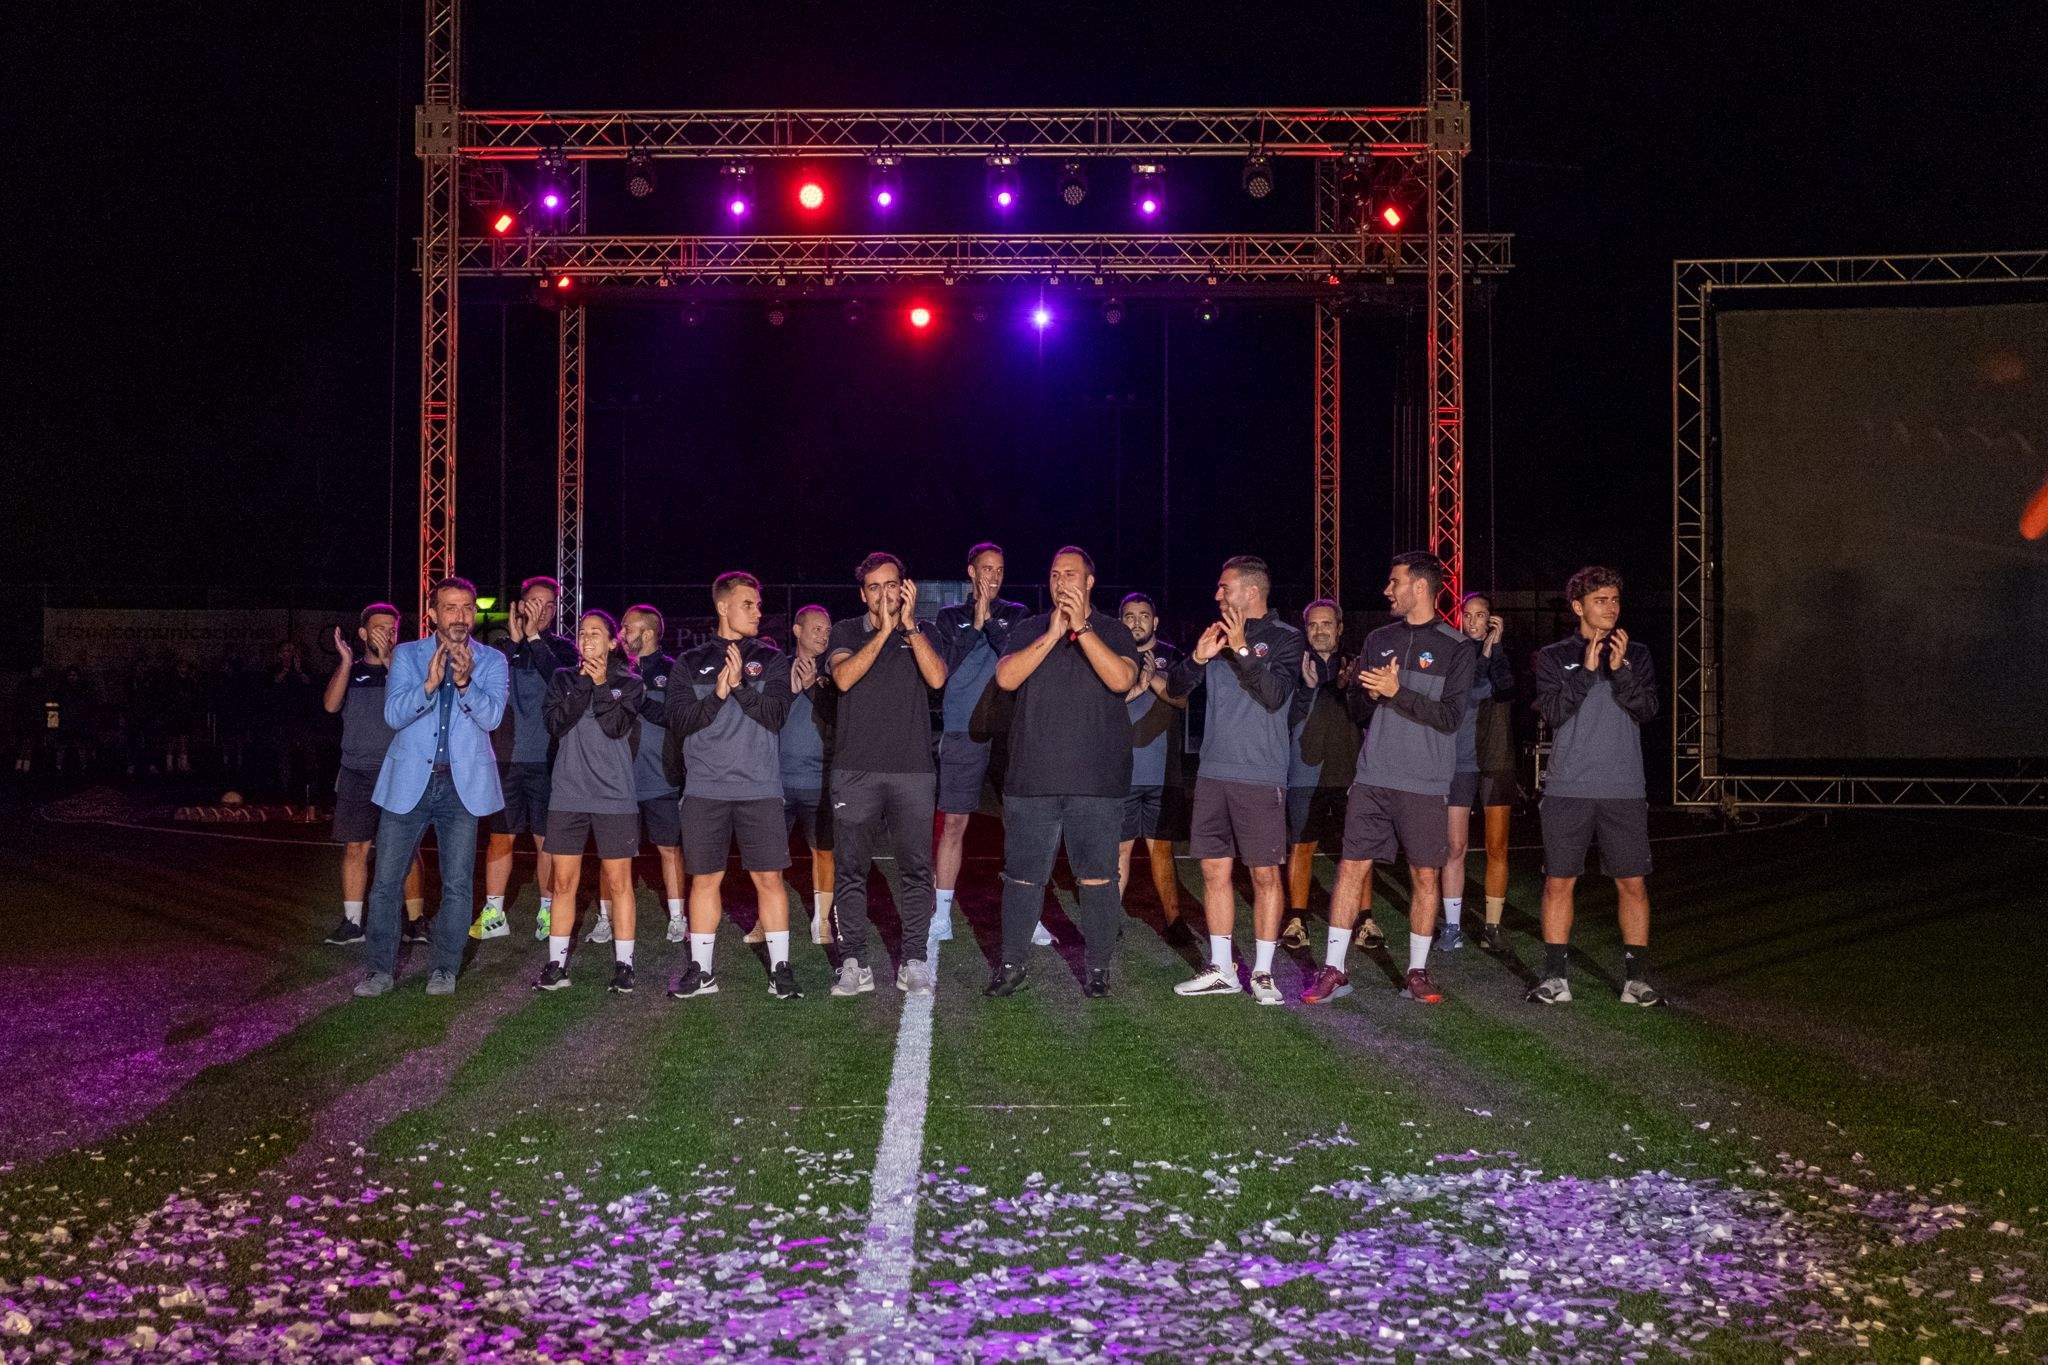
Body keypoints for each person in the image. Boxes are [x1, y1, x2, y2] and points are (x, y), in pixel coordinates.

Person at [1303, 552, 1475, 1006]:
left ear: (1420, 586)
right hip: (1373, 776)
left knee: (1424, 875)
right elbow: (1361, 710)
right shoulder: (1379, 638)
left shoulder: (1456, 647)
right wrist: (1354, 689)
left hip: (1424, 781)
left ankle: (1417, 971)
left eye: (1393, 581)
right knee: (1350, 868)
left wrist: (1399, 692)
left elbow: (1451, 717)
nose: (1387, 590)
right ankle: (1334, 969)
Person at [985, 546, 1141, 998]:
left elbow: (1121, 680)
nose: (1060, 582)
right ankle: (1011, 964)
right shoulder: (1031, 628)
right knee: (1022, 877)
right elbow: (1007, 678)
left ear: (1089, 582)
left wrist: (1082, 631)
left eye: (1070, 574)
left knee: (1097, 877)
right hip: (1032, 781)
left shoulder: (1112, 630)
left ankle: (1097, 968)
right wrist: (1054, 634)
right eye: (1054, 575)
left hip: (1096, 782)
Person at [353, 576, 508, 998]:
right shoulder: (406, 654)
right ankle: (379, 971)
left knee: (458, 883)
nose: (459, 616)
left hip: (462, 788)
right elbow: (393, 716)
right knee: (386, 880)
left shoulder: (492, 660)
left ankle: (444, 969)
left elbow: (492, 718)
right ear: (434, 614)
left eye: (466, 608)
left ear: (474, 613)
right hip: (409, 784)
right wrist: (428, 683)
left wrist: (463, 683)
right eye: (450, 608)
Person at [1166, 556, 1304, 1004]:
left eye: (1225, 588)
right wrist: (1196, 658)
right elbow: (1176, 690)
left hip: (1259, 775)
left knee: (1265, 874)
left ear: (1251, 591)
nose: (1217, 595)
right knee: (1213, 870)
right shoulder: (1216, 636)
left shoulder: (1286, 638)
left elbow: (1275, 696)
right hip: (1212, 773)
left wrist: (1242, 650)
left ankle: (1263, 972)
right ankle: (1221, 967)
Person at [1528, 567, 1663, 1006]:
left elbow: (1646, 710)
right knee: (1558, 883)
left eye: (1614, 600)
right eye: (1601, 600)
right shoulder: (1552, 655)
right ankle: (1554, 979)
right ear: (1578, 607)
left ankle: (1636, 981)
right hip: (1568, 788)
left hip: (1624, 788)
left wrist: (1620, 670)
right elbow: (1551, 713)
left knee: (1632, 884)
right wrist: (1585, 672)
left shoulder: (1637, 653)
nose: (1610, 608)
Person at [664, 572, 800, 1000]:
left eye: (758, 605)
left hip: (760, 788)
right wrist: (718, 696)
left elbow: (776, 714)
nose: (758, 611)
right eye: (748, 604)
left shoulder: (773, 658)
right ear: (723, 607)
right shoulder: (689, 662)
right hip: (705, 790)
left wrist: (740, 688)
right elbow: (680, 722)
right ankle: (701, 972)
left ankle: (781, 968)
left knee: (769, 878)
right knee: (704, 880)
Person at [825, 553, 949, 996]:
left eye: (890, 585)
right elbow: (843, 678)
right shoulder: (845, 631)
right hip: (855, 771)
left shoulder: (924, 631)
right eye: (873, 587)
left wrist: (909, 628)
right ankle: (853, 960)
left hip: (913, 771)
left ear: (904, 588)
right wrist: (880, 633)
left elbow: (937, 679)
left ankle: (914, 958)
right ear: (864, 594)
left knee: (916, 868)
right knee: (851, 869)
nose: (883, 594)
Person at [534, 609, 645, 994]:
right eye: (582, 633)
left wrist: (600, 684)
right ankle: (556, 964)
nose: (587, 639)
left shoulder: (630, 684)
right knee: (562, 882)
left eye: (596, 633)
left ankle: (624, 965)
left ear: (614, 642)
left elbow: (615, 727)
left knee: (618, 883)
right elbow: (555, 724)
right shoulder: (564, 679)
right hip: (567, 795)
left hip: (614, 797)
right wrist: (585, 683)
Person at [931, 543, 1031, 946]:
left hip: (1009, 732)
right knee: (954, 823)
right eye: (986, 569)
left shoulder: (1017, 615)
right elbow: (945, 664)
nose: (993, 576)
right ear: (971, 572)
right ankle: (941, 913)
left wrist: (988, 620)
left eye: (1000, 570)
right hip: (960, 731)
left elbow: (1013, 654)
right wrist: (974, 622)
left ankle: (1028, 913)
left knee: (1022, 824)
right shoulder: (948, 617)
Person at [478, 576, 577, 942]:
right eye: (535, 603)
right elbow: (487, 683)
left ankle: (548, 910)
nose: (542, 610)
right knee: (500, 837)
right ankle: (493, 911)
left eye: (549, 605)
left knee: (545, 840)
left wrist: (533, 640)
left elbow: (561, 681)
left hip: (548, 761)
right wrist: (517, 641)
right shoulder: (498, 651)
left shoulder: (563, 650)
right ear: (520, 607)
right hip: (505, 759)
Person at [321, 604, 424, 946]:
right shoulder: (352, 671)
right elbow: (330, 706)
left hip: (400, 771)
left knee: (407, 849)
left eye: (392, 629)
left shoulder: (406, 667)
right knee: (355, 847)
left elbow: (416, 702)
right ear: (363, 633)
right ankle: (352, 923)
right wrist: (346, 662)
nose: (386, 634)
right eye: (378, 628)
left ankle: (416, 921)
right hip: (356, 771)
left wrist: (391, 657)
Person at [1282, 598, 1362, 951]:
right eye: (1312, 625)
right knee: (1301, 846)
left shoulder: (1357, 665)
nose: (1319, 631)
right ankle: (1297, 919)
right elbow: (1285, 717)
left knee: (1357, 850)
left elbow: (1367, 715)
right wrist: (1309, 688)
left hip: (1348, 773)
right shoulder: (1293, 666)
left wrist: (1350, 689)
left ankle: (1365, 918)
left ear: (1339, 628)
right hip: (1303, 774)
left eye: (1326, 624)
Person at [1446, 592, 1521, 952]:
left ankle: (1492, 926)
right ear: (1459, 619)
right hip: (1460, 761)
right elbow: (1473, 691)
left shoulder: (1502, 654)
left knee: (1497, 847)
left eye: (1482, 615)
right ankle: (1452, 925)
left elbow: (1506, 689)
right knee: (1455, 847)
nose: (1475, 622)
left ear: (1492, 619)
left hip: (1496, 760)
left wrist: (1498, 649)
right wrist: (1486, 652)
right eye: (1469, 615)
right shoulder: (1456, 654)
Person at [1115, 592, 1189, 934]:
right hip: (1121, 774)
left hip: (1163, 776)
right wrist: (1134, 681)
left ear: (1155, 621)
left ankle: (1174, 921)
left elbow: (1181, 698)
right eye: (1129, 616)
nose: (1136, 622)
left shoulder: (1172, 656)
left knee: (1162, 852)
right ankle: (1108, 922)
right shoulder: (1112, 655)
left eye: (1143, 615)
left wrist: (1150, 679)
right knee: (1119, 851)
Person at [621, 605, 686, 945]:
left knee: (669, 848)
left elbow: (675, 717)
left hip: (660, 775)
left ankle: (677, 917)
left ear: (645, 633)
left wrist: (640, 698)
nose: (621, 633)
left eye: (627, 627)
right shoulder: (616, 668)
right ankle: (605, 917)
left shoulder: (673, 671)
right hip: (619, 778)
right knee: (615, 852)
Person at [778, 604, 837, 948]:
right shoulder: (776, 671)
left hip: (818, 782)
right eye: (816, 629)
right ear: (797, 631)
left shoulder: (834, 671)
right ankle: (764, 918)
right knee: (770, 857)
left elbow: (837, 715)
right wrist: (791, 686)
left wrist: (814, 685)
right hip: (777, 782)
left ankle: (822, 920)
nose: (823, 635)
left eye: (827, 630)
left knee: (824, 853)